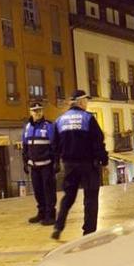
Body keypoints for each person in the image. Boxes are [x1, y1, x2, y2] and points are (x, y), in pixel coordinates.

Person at [50, 90, 108, 239]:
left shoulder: (60, 120)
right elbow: (98, 141)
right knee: (90, 198)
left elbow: (54, 144)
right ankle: (88, 232)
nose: (87, 103)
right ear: (81, 102)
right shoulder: (88, 119)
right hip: (88, 165)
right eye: (85, 101)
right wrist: (104, 159)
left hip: (69, 165)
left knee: (68, 196)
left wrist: (56, 162)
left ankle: (58, 226)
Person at [22, 102, 58, 225]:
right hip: (34, 166)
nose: (37, 113)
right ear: (30, 112)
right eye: (35, 111)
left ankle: (51, 215)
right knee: (38, 191)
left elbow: (55, 145)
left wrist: (56, 162)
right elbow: (25, 146)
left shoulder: (48, 126)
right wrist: (25, 163)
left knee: (48, 191)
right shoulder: (27, 127)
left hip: (46, 165)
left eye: (39, 110)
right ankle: (41, 213)